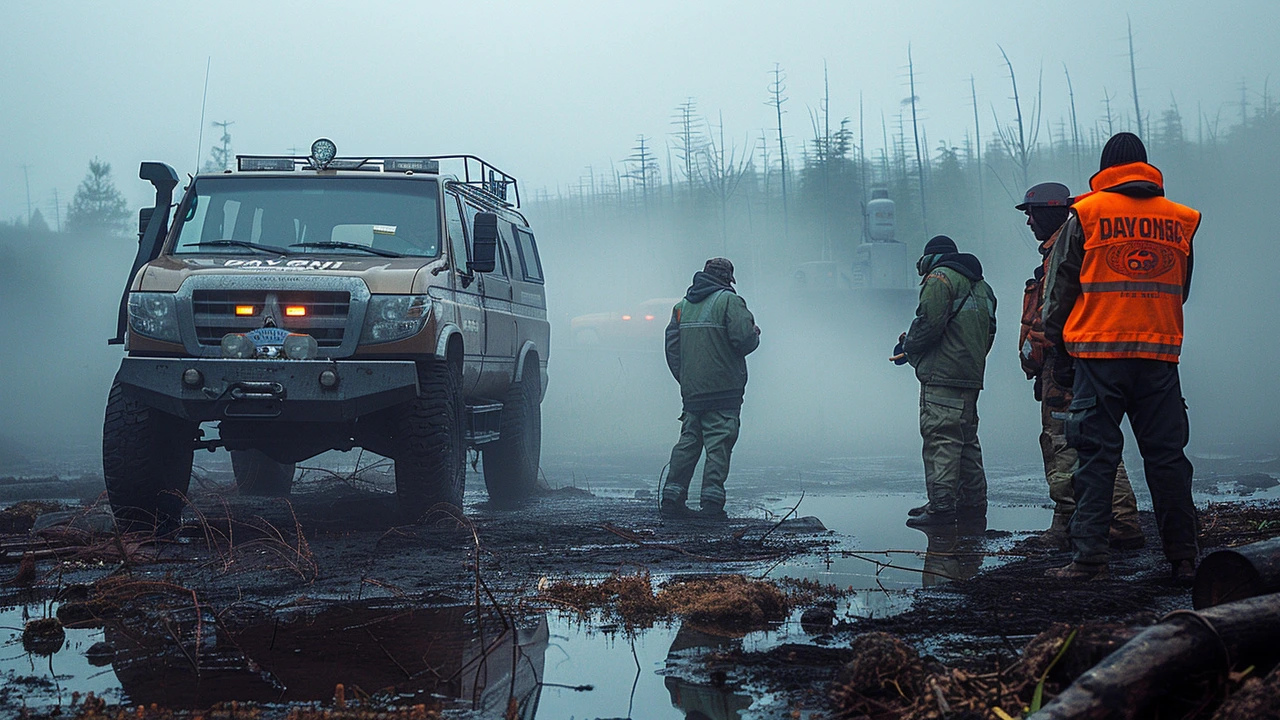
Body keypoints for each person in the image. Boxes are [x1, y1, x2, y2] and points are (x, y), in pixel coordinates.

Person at [1043, 132, 1202, 584]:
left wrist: (1058, 348)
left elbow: (1059, 291)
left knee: (1095, 458)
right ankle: (1184, 559)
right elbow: (1181, 290)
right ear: (1145, 166)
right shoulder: (1180, 220)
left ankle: (1090, 560)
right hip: (1159, 355)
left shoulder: (1087, 214)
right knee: (1168, 458)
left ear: (1105, 167)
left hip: (1097, 354)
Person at [1016, 182, 1144, 552]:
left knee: (1062, 443)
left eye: (1032, 213)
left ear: (1050, 213)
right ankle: (1121, 521)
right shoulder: (1070, 245)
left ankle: (1069, 524)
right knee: (1090, 441)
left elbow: (1055, 308)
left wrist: (1048, 353)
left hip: (1065, 362)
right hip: (1079, 359)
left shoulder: (1064, 249)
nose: (1029, 222)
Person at [897, 235, 997, 527]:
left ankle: (941, 508)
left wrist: (909, 347)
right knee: (966, 441)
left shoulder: (940, 279)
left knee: (941, 438)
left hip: (942, 376)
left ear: (929, 259)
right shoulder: (983, 286)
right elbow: (989, 331)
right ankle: (972, 504)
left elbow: (929, 322)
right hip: (969, 375)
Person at [661, 257, 760, 520]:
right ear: (727, 278)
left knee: (689, 441)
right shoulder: (730, 301)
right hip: (724, 389)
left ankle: (672, 498)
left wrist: (685, 379)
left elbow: (672, 348)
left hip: (693, 391)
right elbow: (744, 340)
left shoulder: (682, 307)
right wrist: (756, 334)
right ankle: (712, 504)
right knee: (719, 443)